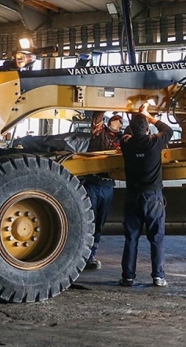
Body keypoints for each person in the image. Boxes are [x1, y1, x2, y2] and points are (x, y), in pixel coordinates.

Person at [118, 104, 173, 287]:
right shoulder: (154, 142)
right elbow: (168, 129)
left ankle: (128, 277)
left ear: (131, 130)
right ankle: (158, 276)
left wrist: (133, 121)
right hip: (152, 198)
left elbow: (125, 134)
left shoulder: (126, 144)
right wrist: (148, 116)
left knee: (131, 238)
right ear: (148, 129)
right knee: (156, 238)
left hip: (133, 197)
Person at [82, 112, 123, 271]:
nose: (116, 123)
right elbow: (97, 118)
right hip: (93, 183)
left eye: (119, 121)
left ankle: (91, 255)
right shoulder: (99, 133)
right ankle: (82, 254)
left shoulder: (123, 139)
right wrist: (108, 104)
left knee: (99, 224)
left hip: (107, 185)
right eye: (115, 120)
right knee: (88, 220)